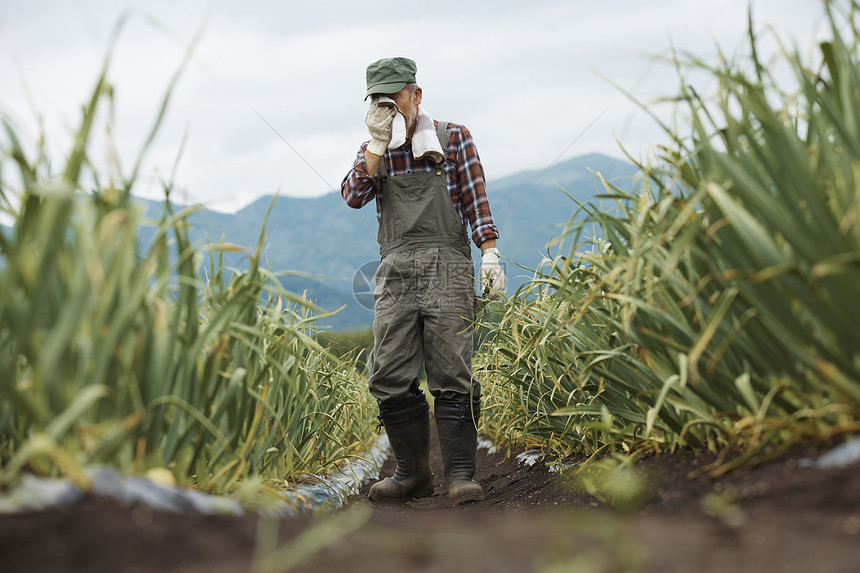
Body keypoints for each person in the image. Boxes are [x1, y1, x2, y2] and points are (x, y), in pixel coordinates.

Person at [341, 57, 506, 506]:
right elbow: (354, 196)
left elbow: (476, 198)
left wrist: (489, 252)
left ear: (416, 95)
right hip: (395, 271)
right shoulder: (374, 149)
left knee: (452, 369)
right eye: (378, 100)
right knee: (390, 371)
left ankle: (459, 474)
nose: (388, 107)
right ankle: (413, 475)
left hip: (449, 265)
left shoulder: (454, 138)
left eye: (394, 97)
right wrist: (376, 144)